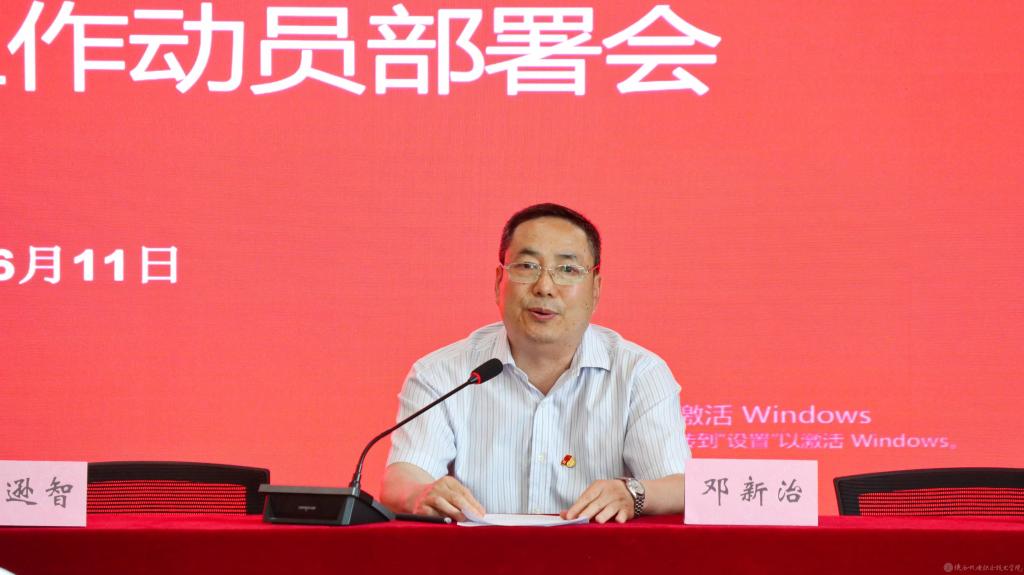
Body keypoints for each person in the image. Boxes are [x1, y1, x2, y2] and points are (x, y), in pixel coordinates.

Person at [381, 203, 690, 523]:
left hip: (597, 554)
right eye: (527, 266)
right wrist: (420, 493)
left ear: (596, 288)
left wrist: (632, 493)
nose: (544, 287)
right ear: (498, 281)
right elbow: (403, 478)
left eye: (567, 269)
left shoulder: (638, 373)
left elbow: (679, 486)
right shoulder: (441, 373)